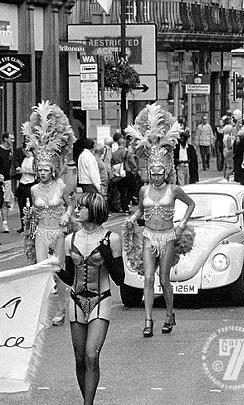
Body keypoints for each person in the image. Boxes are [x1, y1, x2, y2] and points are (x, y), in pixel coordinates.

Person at [125, 105, 195, 338]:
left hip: (167, 237)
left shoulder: (174, 190)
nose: (155, 177)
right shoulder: (144, 189)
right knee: (147, 278)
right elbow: (140, 211)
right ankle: (148, 321)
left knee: (164, 280)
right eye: (152, 173)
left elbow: (191, 205)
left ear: (166, 172)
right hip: (148, 237)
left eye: (159, 173)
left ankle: (169, 314)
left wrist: (182, 223)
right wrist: (133, 218)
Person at [57, 192, 124, 405]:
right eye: (76, 207)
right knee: (79, 359)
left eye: (81, 207)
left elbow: (120, 279)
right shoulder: (70, 240)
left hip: (101, 299)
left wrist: (107, 256)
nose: (76, 211)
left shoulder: (111, 239)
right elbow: (69, 277)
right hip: (76, 301)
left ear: (94, 210)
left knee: (91, 355)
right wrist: (54, 268)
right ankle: (88, 401)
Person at [22, 100, 76, 326]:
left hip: (58, 233)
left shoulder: (61, 186)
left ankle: (63, 310)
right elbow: (32, 211)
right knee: (41, 274)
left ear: (53, 170)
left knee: (60, 273)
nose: (42, 173)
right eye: (40, 169)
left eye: (46, 169)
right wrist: (28, 214)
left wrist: (67, 213)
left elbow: (71, 205)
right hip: (40, 232)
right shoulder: (33, 189)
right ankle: (41, 314)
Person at [111, 138, 137, 214]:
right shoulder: (127, 153)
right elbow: (133, 164)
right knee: (132, 189)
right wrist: (133, 172)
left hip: (118, 174)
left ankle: (124, 207)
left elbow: (112, 163)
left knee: (122, 191)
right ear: (124, 144)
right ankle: (127, 204)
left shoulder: (114, 153)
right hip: (127, 173)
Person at [14, 148, 36, 233]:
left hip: (30, 183)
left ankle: (30, 226)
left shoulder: (34, 160)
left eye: (27, 151)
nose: (26, 153)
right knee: (22, 205)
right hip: (22, 183)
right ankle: (23, 225)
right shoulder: (24, 159)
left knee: (29, 206)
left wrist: (26, 171)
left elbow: (36, 172)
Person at [0, 132, 15, 233]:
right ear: (5, 139)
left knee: (5, 202)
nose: (13, 141)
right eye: (11, 138)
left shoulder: (10, 150)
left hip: (7, 179)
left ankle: (5, 224)